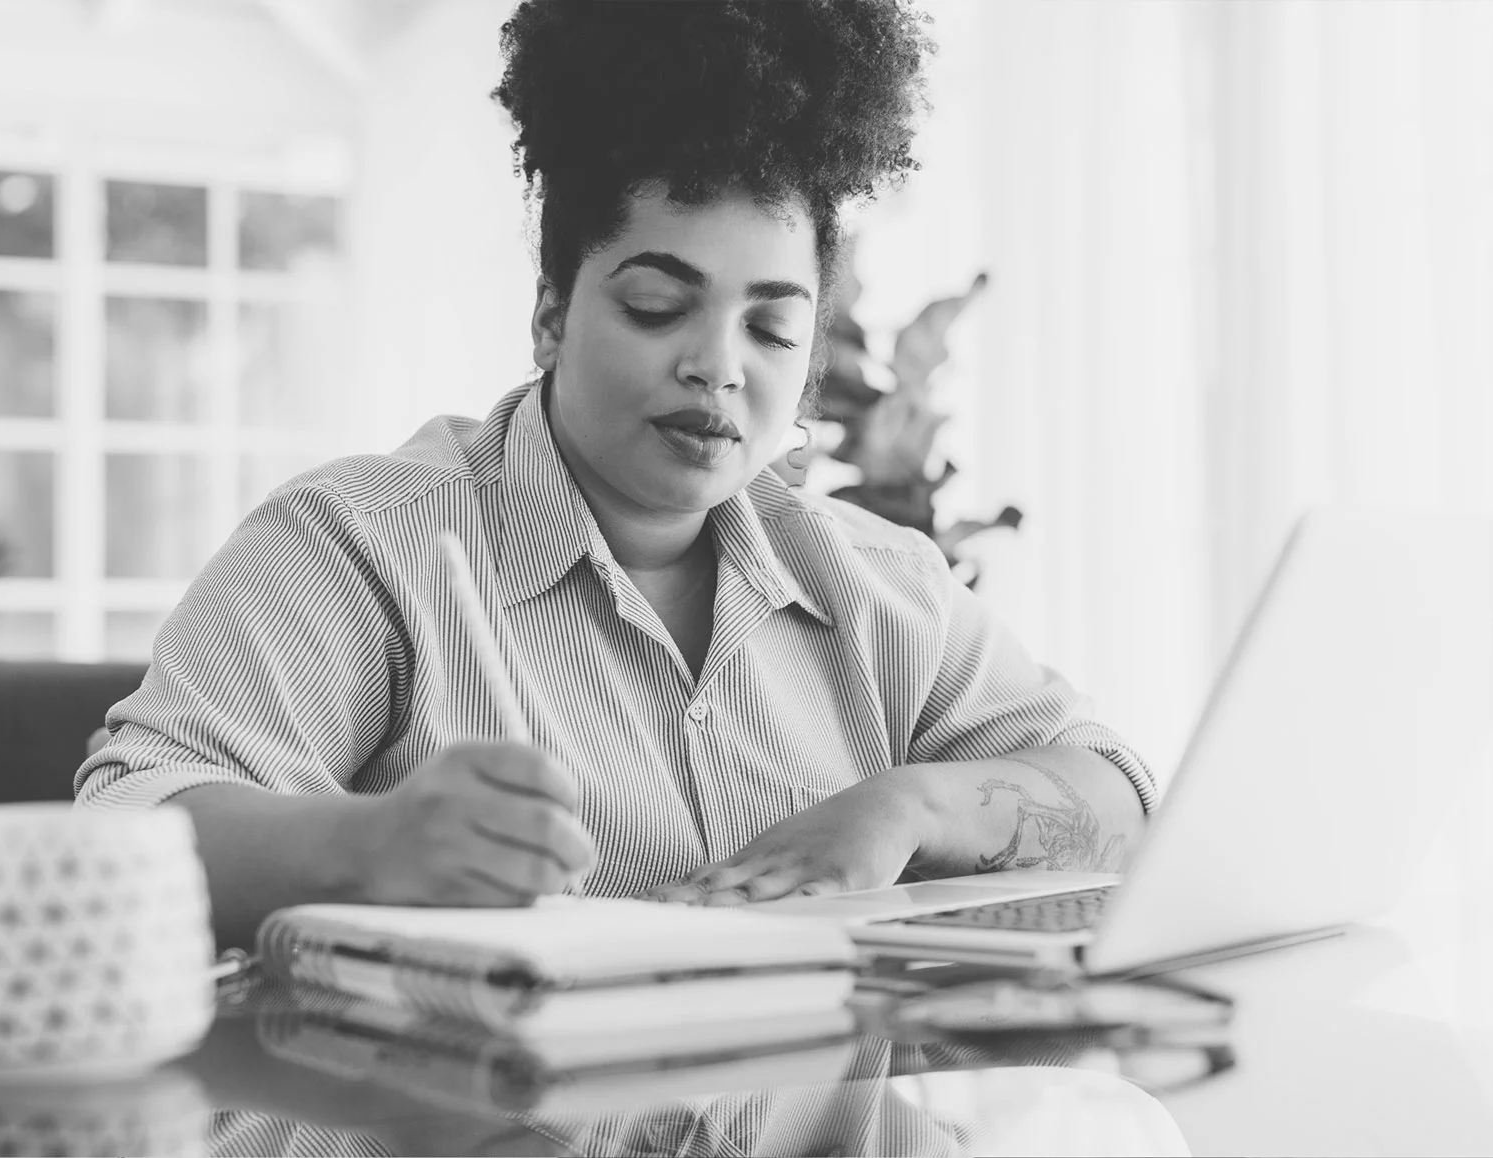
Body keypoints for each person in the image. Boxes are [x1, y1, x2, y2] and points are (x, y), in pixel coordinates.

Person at [75, 0, 1154, 952]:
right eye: (656, 305)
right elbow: (123, 833)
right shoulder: (363, 543)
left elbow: (1121, 802)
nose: (717, 366)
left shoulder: (883, 591)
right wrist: (371, 843)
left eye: (774, 330)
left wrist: (907, 811)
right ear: (551, 315)